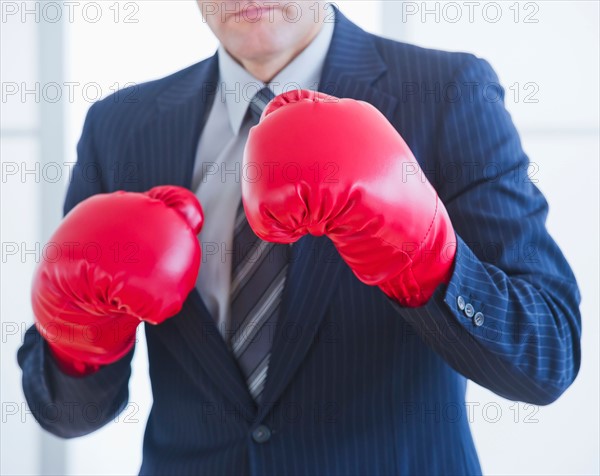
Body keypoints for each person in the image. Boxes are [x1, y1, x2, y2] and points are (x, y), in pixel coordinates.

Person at [18, 2, 581, 474]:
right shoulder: (121, 125)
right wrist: (78, 337)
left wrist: (424, 256)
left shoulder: (449, 92)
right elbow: (67, 416)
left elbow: (547, 357)